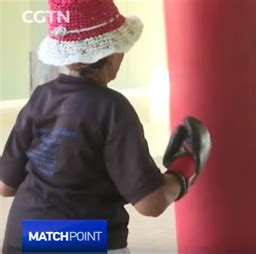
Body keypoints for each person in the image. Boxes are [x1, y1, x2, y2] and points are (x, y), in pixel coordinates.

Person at [0, 0, 211, 253]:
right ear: (111, 54)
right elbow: (150, 204)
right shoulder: (113, 108)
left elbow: (5, 185)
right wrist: (186, 168)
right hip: (83, 240)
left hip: (23, 238)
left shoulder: (40, 97)